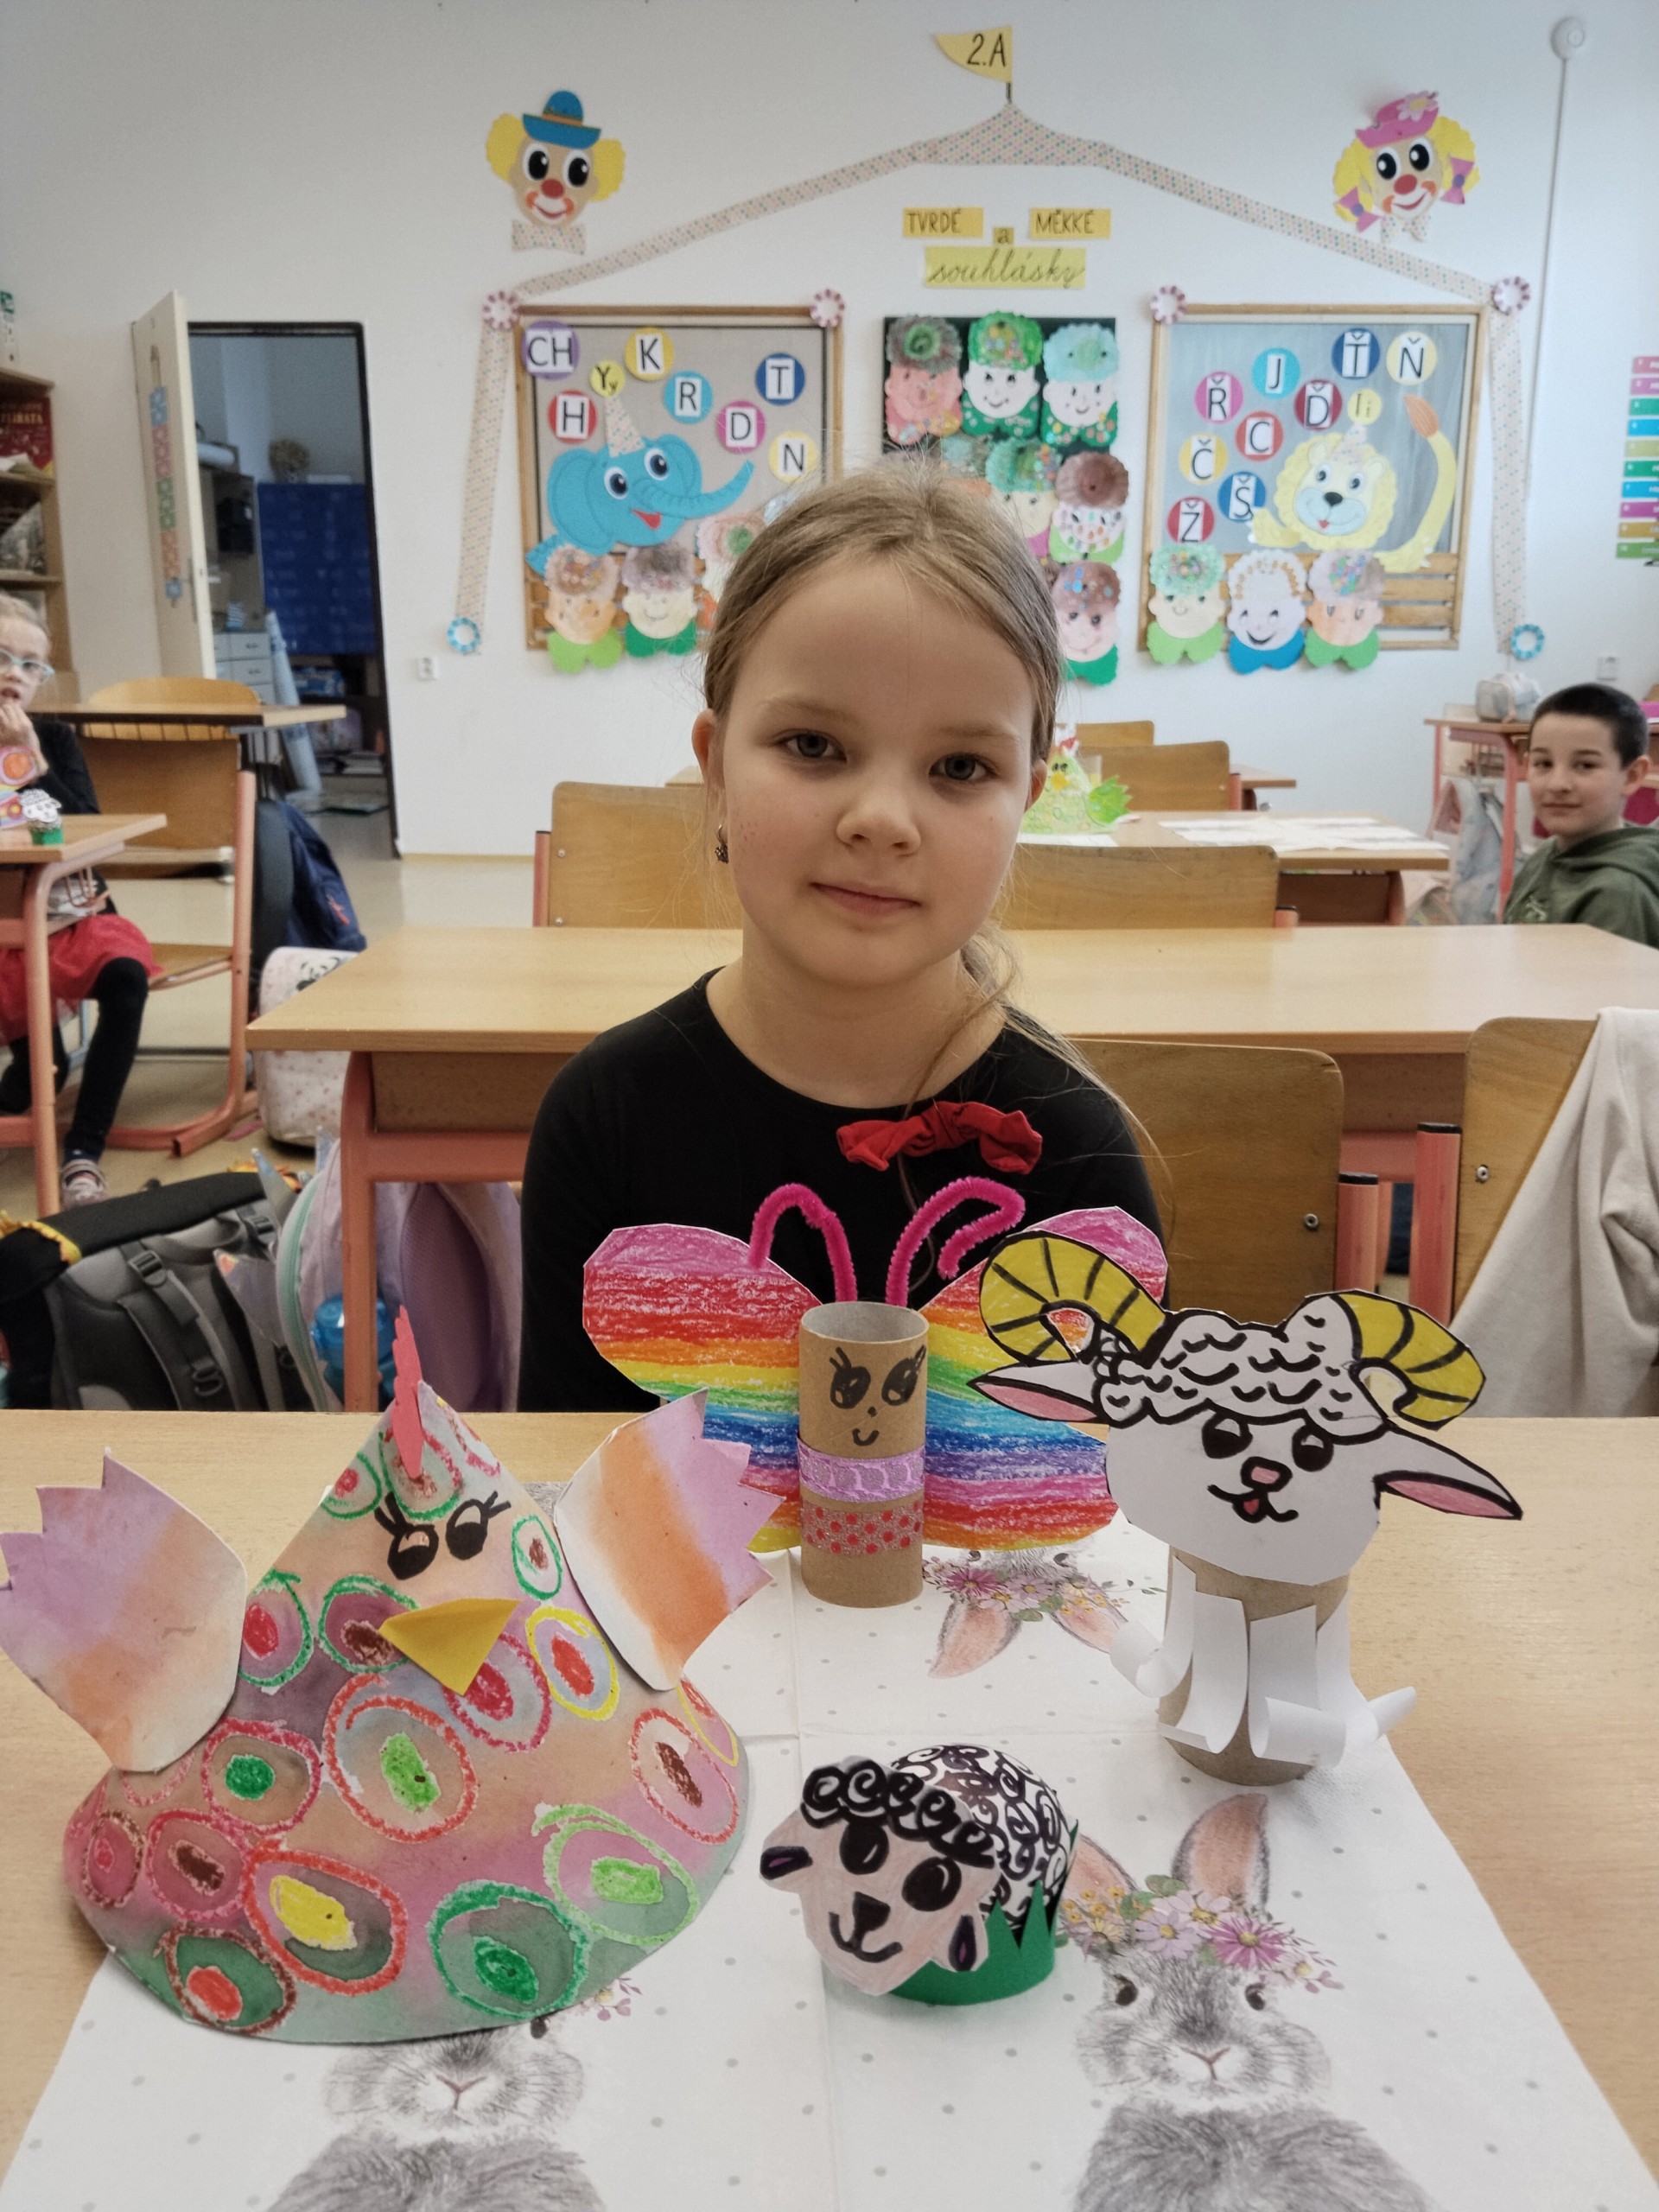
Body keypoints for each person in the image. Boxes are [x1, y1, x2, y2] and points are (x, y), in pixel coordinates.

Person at [518, 467, 1160, 1410]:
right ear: (716, 769)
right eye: (814, 746)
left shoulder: (1075, 1148)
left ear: (1024, 800)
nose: (882, 819)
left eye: (959, 767)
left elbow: (1105, 1482)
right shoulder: (605, 1120)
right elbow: (567, 1474)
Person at [0, 593, 157, 1205]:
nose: (15, 673)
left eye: (30, 664)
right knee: (41, 1072)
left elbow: (78, 828)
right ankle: (24, 1094)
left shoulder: (54, 740)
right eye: (2, 657)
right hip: (5, 932)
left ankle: (84, 1151)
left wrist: (30, 763)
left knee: (125, 977)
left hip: (68, 920)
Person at [1503, 682, 1659, 947]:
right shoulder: (1546, 854)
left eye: (1585, 765)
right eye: (1544, 764)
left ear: (1632, 775)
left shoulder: (1617, 892)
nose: (1557, 784)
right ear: (1527, 767)